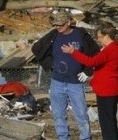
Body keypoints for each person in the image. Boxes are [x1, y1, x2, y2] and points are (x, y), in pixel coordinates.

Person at [32, 11, 100, 140]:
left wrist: (88, 71)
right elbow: (37, 49)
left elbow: (95, 53)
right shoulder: (54, 35)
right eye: (56, 25)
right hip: (57, 82)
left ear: (68, 22)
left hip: (75, 83)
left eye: (61, 25)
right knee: (58, 114)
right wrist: (49, 64)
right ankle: (63, 137)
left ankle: (85, 138)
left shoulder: (81, 35)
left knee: (81, 114)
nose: (58, 27)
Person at [61, 22, 118, 140]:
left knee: (106, 120)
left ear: (106, 36)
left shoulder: (110, 50)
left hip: (107, 89)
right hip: (112, 88)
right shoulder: (117, 48)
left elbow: (91, 62)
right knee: (109, 119)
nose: (99, 40)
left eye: (100, 37)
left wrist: (73, 52)